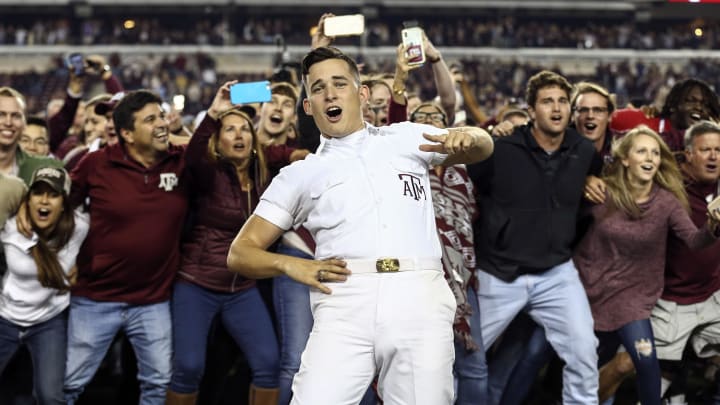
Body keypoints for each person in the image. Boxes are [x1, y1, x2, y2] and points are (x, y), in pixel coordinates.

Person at [226, 46, 493, 404]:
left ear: (361, 93)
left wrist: (471, 137)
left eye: (339, 83)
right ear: (309, 107)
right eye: (317, 88)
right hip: (344, 300)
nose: (330, 93)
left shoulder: (405, 137)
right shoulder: (300, 174)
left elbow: (483, 145)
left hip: (418, 295)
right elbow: (240, 253)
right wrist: (291, 264)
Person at [41, 90, 188, 405]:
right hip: (96, 298)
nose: (162, 124)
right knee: (67, 385)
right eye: (151, 119)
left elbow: (210, 148)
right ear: (127, 133)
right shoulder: (95, 163)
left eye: (162, 116)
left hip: (153, 301)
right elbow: (62, 208)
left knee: (158, 385)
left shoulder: (179, 163)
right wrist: (62, 257)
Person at [467, 70, 602, 405]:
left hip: (555, 274)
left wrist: (590, 181)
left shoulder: (583, 151)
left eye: (561, 102)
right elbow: (468, 191)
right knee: (461, 357)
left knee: (584, 353)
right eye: (546, 102)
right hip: (498, 274)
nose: (556, 109)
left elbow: (594, 176)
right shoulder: (500, 150)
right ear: (531, 110)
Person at [574, 126, 720, 405]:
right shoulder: (601, 193)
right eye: (642, 150)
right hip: (588, 292)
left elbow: (694, 240)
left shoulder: (667, 202)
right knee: (576, 366)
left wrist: (713, 228)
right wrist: (584, 181)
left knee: (646, 360)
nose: (650, 157)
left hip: (634, 299)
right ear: (626, 159)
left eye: (654, 152)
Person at [166, 83, 280, 405]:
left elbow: (287, 149)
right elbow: (192, 156)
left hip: (241, 289)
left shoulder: (264, 179)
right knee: (188, 367)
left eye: (245, 128)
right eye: (230, 130)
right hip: (196, 284)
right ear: (218, 141)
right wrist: (215, 113)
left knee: (268, 364)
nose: (239, 134)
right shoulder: (208, 172)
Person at [410, 101, 488, 404]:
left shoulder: (467, 167)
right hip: (421, 277)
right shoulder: (407, 164)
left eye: (437, 116)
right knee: (427, 366)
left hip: (462, 279)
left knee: (475, 367)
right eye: (422, 116)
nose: (430, 119)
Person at [644, 120, 720, 405]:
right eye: (706, 150)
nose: (714, 156)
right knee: (652, 369)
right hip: (671, 298)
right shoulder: (666, 187)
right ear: (688, 154)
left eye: (719, 150)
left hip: (713, 293)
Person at [0, 167, 89, 405]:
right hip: (5, 317)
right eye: (38, 193)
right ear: (28, 200)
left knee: (50, 397)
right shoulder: (10, 228)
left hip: (48, 321)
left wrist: (82, 270)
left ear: (64, 202)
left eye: (53, 194)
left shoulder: (79, 228)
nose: (45, 200)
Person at [0, 87, 63, 185]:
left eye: (16, 116)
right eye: (1, 115)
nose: (8, 122)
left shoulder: (48, 168)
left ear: (24, 124)